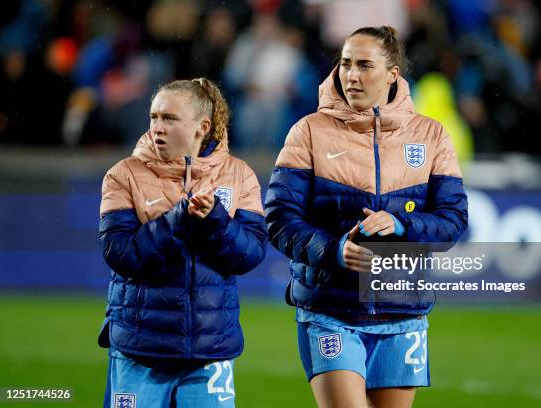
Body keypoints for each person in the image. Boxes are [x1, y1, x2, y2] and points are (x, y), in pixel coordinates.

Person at [265, 26, 468, 407]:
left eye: (364, 65)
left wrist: (403, 225)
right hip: (329, 308)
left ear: (392, 73)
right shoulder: (308, 132)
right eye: (345, 64)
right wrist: (334, 250)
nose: (352, 75)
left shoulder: (431, 135)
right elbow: (279, 220)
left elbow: (453, 221)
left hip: (402, 310)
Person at [97, 77, 267, 408]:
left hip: (209, 349)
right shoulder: (123, 175)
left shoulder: (239, 175)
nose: (157, 127)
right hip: (139, 348)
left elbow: (250, 254)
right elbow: (120, 254)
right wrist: (177, 220)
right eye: (154, 117)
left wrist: (215, 220)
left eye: (170, 119)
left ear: (202, 127)